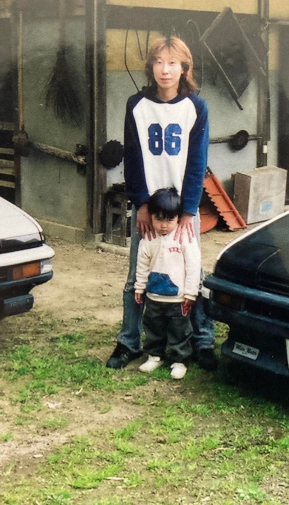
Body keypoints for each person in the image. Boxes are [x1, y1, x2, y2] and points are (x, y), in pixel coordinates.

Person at [105, 35, 217, 371]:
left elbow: (197, 162)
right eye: (158, 62)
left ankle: (202, 342)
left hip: (183, 209)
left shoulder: (196, 107)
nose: (164, 70)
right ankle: (129, 342)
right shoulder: (136, 105)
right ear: (150, 66)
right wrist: (139, 202)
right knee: (137, 275)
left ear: (184, 68)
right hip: (150, 209)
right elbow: (134, 157)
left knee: (191, 274)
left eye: (172, 63)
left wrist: (188, 210)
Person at [134, 188, 201, 380]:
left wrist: (190, 293)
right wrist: (140, 287)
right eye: (159, 219)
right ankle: (155, 356)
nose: (163, 225)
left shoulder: (185, 238)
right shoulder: (148, 239)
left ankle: (180, 360)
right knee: (153, 327)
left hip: (179, 298)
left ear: (178, 218)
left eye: (169, 220)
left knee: (180, 329)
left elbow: (193, 266)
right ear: (151, 217)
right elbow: (142, 265)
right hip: (154, 296)